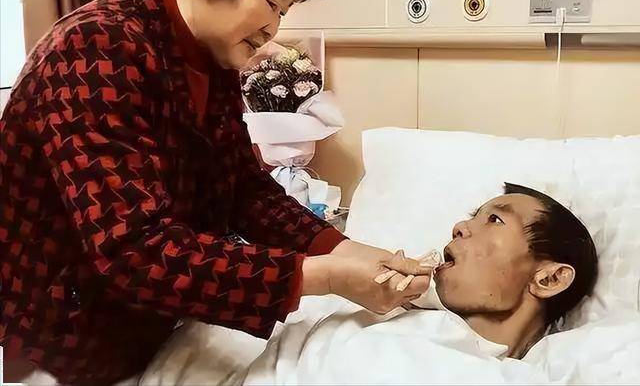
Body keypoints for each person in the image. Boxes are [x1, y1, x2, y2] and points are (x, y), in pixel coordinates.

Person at [0, 0, 430, 384]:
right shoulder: (95, 49)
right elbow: (134, 251)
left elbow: (243, 188)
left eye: (283, 12)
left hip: (145, 330)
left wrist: (342, 249)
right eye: (271, 3)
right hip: (52, 340)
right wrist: (325, 276)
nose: (272, 29)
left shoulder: (208, 54)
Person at [233, 183, 599, 384]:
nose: (460, 226)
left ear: (549, 278)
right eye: (474, 216)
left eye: (495, 221)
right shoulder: (374, 313)